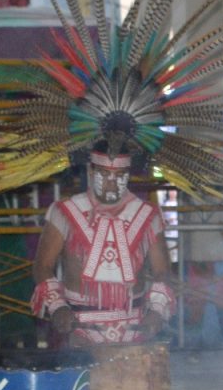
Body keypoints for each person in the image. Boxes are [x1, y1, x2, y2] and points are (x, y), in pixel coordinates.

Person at [31, 143, 174, 347]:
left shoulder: (147, 215)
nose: (112, 183)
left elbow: (162, 270)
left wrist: (157, 310)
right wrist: (58, 306)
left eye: (120, 175)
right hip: (80, 329)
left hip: (134, 327)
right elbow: (43, 266)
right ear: (91, 171)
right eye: (105, 174)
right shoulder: (64, 211)